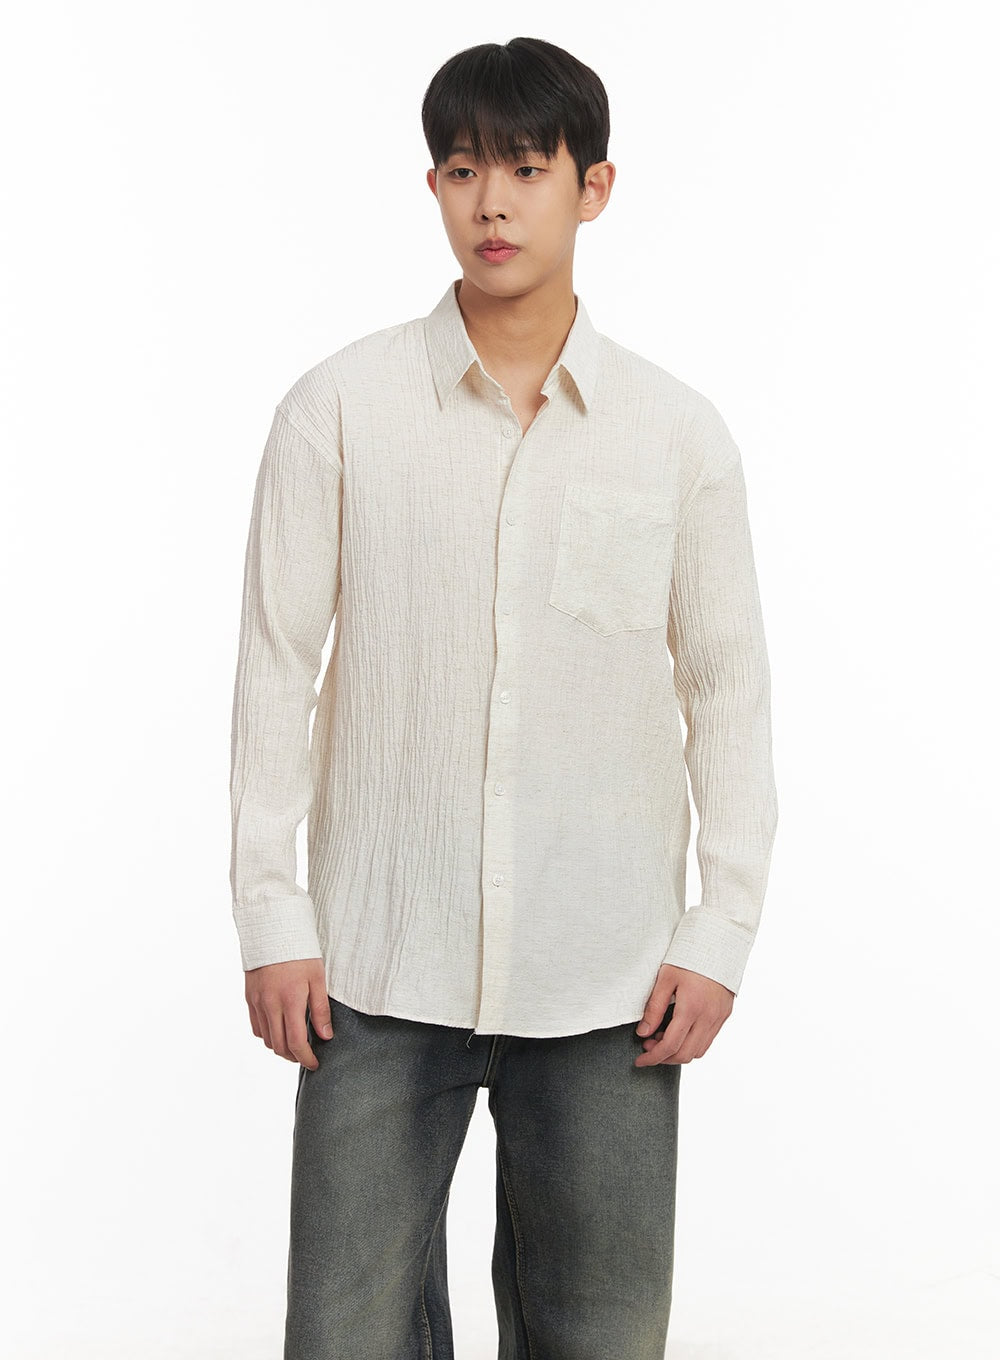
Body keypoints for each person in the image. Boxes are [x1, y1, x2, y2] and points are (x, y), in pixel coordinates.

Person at [229, 35, 778, 1360]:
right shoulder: (338, 410)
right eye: (466, 169)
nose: (494, 203)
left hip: (608, 979)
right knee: (344, 1337)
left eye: (529, 169)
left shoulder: (676, 435)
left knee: (603, 1337)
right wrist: (271, 915)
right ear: (433, 185)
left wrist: (721, 927)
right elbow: (276, 668)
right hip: (374, 964)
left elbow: (727, 686)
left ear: (594, 188)